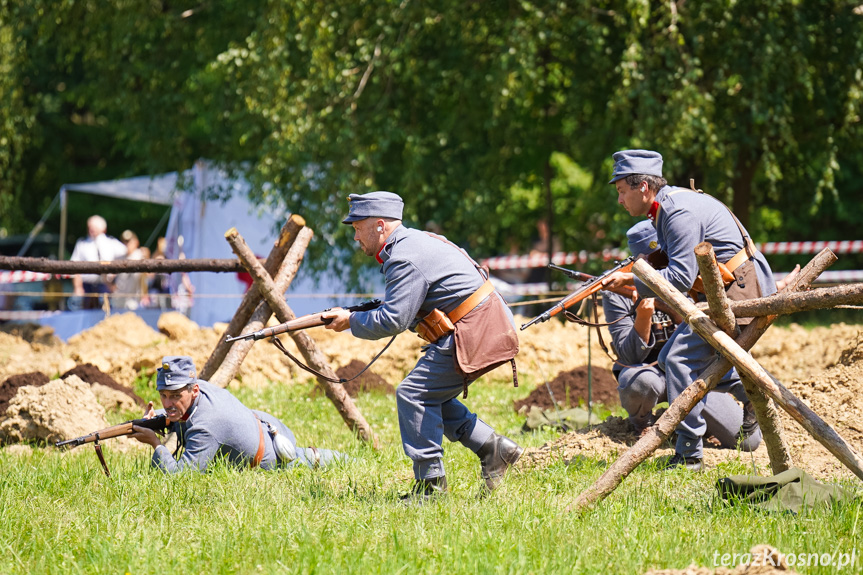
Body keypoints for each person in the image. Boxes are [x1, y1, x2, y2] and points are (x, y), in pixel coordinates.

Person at [321, 191, 522, 500]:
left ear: (379, 226)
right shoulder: (415, 241)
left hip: (475, 330)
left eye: (357, 227)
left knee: (413, 394)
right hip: (482, 326)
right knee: (431, 396)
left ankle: (430, 487)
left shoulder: (403, 257)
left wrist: (350, 321)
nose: (355, 236)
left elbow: (392, 320)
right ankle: (494, 448)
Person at [602, 150, 776, 471]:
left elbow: (680, 279)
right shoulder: (667, 208)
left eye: (621, 191)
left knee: (679, 359)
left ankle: (689, 453)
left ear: (642, 187)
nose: (619, 200)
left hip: (737, 291)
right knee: (671, 359)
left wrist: (631, 282)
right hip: (725, 290)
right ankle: (754, 389)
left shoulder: (676, 212)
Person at [602, 221, 762, 453]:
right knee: (639, 383)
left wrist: (671, 307)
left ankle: (696, 423)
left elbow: (705, 334)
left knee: (748, 442)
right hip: (649, 375)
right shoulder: (618, 293)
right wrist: (643, 316)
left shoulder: (685, 274)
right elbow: (629, 355)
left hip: (691, 373)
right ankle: (643, 425)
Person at [130, 356, 346, 473]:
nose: (168, 403)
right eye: (164, 396)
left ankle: (347, 461)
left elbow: (178, 478)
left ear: (193, 390)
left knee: (308, 461)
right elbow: (178, 410)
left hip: (273, 457)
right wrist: (157, 416)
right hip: (263, 429)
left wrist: (156, 444)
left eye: (175, 396)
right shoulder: (200, 389)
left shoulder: (206, 426)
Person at [70, 215, 128, 309]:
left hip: (105, 284)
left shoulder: (111, 242)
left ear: (103, 228)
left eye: (94, 227)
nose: (91, 229)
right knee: (86, 312)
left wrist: (115, 276)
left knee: (106, 311)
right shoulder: (82, 244)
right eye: (89, 226)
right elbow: (74, 266)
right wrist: (78, 287)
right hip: (87, 285)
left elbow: (127, 255)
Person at [112, 230, 149, 310]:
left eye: (129, 241)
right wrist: (111, 287)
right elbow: (108, 277)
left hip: (135, 300)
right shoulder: (118, 258)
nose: (127, 244)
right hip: (119, 299)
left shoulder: (141, 256)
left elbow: (148, 277)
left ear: (136, 242)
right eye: (125, 241)